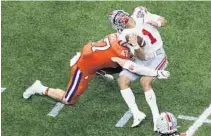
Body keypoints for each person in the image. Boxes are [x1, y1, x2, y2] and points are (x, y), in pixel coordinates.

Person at [23, 33, 169, 105]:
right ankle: (39, 87)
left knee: (117, 66)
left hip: (93, 56)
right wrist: (156, 72)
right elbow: (136, 66)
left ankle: (98, 68)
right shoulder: (122, 53)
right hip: (83, 69)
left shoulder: (116, 37)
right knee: (68, 100)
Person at [109, 6, 168, 130]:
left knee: (144, 81)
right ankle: (137, 113)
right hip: (142, 59)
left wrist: (157, 22)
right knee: (122, 80)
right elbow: (140, 57)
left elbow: (164, 21)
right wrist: (135, 44)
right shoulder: (124, 35)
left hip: (157, 55)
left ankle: (156, 117)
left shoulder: (140, 14)